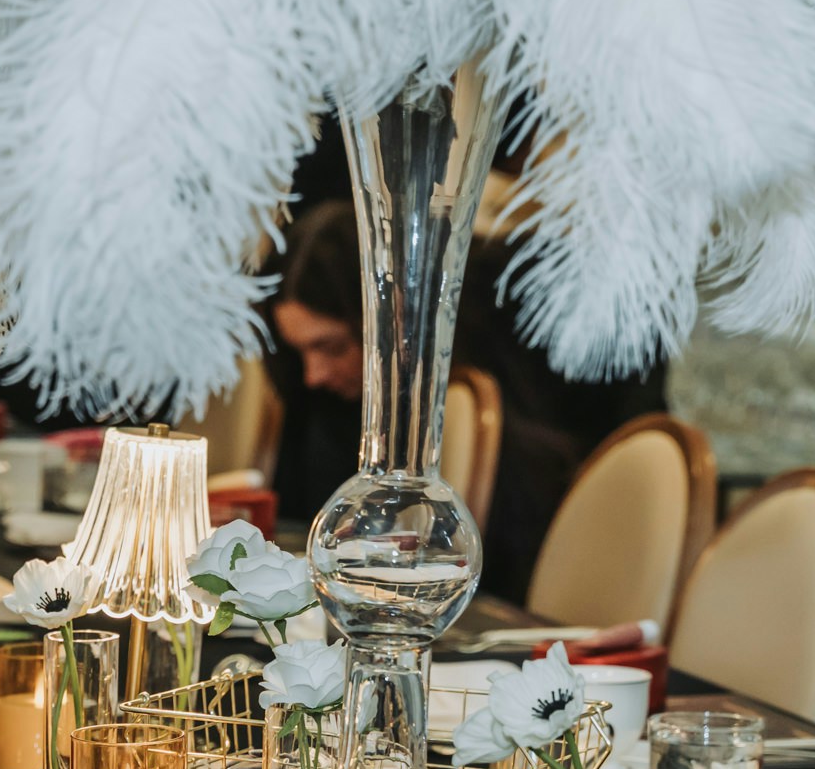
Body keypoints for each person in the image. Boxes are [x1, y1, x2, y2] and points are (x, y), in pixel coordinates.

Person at [267, 195, 666, 602]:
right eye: (300, 351)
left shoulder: (511, 314)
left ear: (393, 314)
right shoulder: (321, 404)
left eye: (332, 348)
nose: (313, 375)